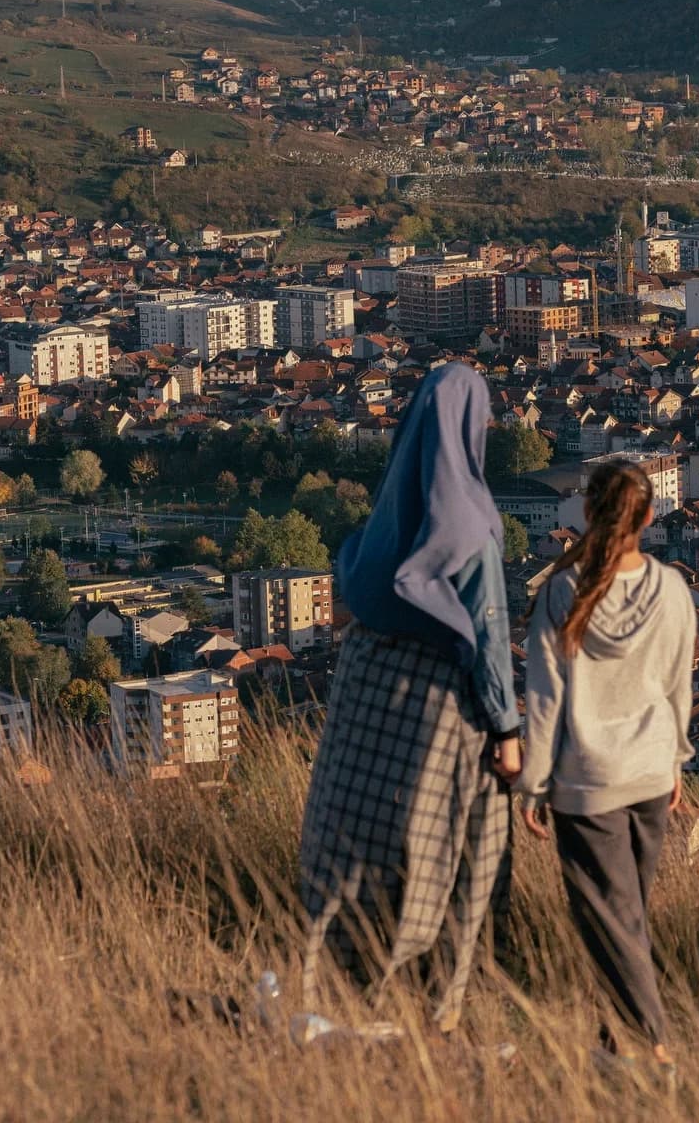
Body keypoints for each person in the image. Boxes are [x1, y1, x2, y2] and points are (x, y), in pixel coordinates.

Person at [297, 360, 521, 1030]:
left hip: (365, 692)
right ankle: (435, 1011)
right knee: (454, 855)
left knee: (355, 846)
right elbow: (487, 636)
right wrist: (508, 731)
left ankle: (337, 988)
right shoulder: (471, 528)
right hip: (437, 713)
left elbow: (350, 568)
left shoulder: (391, 514)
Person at [515, 459, 693, 1075]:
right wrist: (675, 762)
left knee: (612, 925)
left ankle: (654, 1049)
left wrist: (534, 782)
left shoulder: (562, 590)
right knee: (628, 921)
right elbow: (678, 688)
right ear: (648, 517)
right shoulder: (670, 588)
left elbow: (545, 695)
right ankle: (613, 1051)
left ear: (587, 512)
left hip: (585, 782)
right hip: (648, 771)